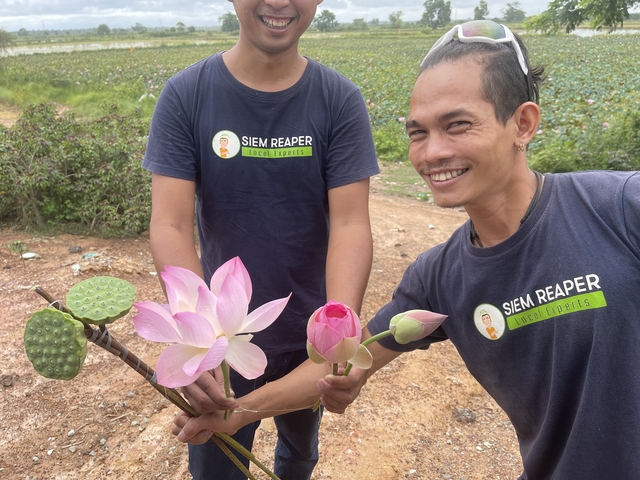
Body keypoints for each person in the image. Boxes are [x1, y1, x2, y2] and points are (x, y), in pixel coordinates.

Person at [172, 20, 640, 479]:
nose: (432, 152)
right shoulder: (438, 280)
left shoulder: (619, 209)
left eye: (457, 125)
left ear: (522, 123)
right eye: (418, 132)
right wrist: (238, 413)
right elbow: (354, 359)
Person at [142, 0, 379, 478]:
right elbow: (170, 223)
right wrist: (199, 335)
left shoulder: (339, 100)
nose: (278, 3)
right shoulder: (187, 95)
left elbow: (352, 223)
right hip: (221, 341)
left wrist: (341, 331)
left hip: (310, 336)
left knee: (298, 454)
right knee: (218, 466)